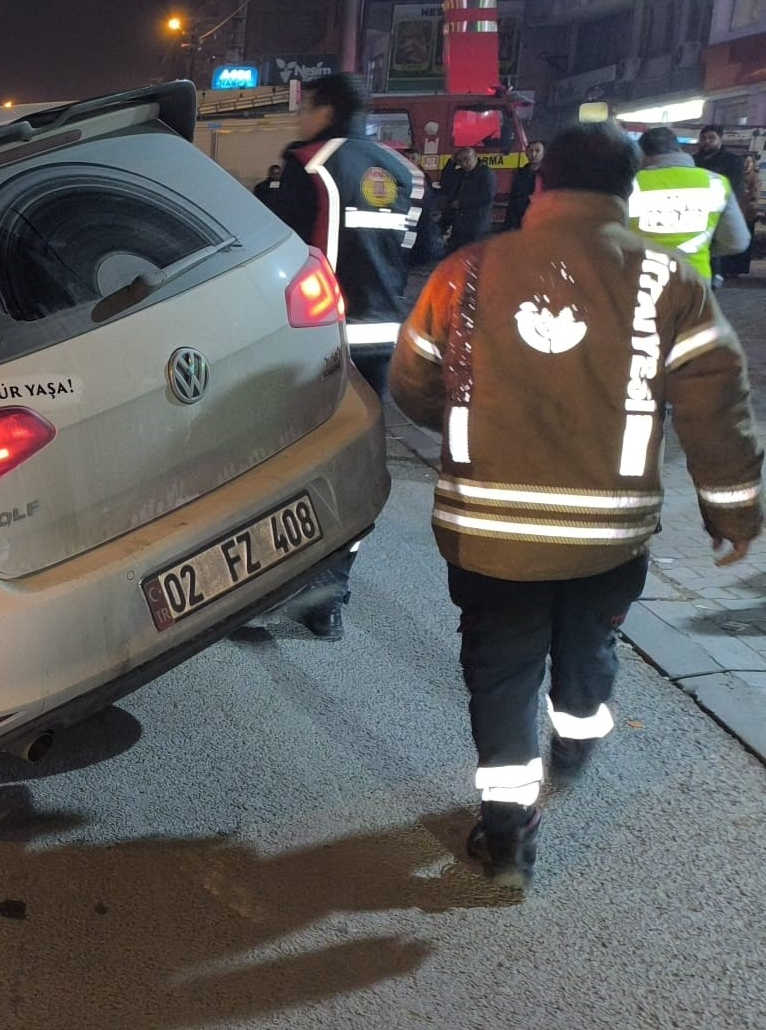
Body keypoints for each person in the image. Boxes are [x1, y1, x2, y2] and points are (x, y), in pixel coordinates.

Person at [391, 121, 762, 892]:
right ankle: (578, 739)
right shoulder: (671, 279)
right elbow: (716, 408)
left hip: (488, 534)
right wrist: (734, 513)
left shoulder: (466, 270)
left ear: (540, 182)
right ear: (629, 191)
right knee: (590, 647)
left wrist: (471, 426)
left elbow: (414, 383)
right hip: (609, 536)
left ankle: (508, 837)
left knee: (499, 676)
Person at [271, 70, 428, 638]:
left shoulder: (309, 164)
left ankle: (277, 586)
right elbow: (422, 248)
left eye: (305, 107)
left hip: (316, 340)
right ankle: (331, 595)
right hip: (381, 340)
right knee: (355, 466)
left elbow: (278, 247)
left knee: (293, 466)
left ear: (326, 109)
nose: (299, 118)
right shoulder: (405, 172)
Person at [629, 125, 748, 288]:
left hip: (642, 280)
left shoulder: (630, 185)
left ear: (641, 154)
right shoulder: (717, 183)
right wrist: (701, 246)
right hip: (695, 281)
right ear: (679, 149)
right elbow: (737, 242)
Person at [437, 146, 496, 250]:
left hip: (477, 223)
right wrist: (452, 162)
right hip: (460, 222)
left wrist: (461, 203)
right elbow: (445, 182)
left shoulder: (486, 174)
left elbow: (487, 197)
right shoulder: (461, 173)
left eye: (466, 159)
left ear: (475, 157)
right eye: (460, 161)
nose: (464, 163)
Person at [503, 138, 545, 230]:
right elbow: (513, 199)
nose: (533, 154)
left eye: (537, 151)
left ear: (543, 153)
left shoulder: (549, 175)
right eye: (531, 151)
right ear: (526, 153)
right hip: (521, 222)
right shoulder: (520, 173)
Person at [693, 123, 747, 191]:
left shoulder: (733, 161)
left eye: (711, 137)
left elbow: (736, 189)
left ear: (720, 140)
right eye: (703, 138)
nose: (706, 141)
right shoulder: (693, 160)